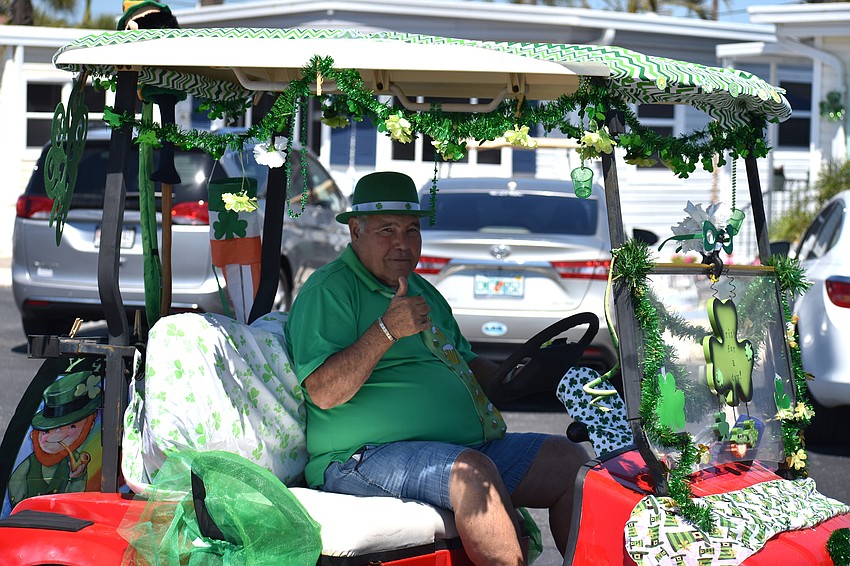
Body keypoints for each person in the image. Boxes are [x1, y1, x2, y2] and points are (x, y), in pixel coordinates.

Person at [285, 171, 591, 565]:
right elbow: (324, 392)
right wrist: (386, 330)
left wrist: (524, 373)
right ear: (355, 231)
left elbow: (464, 363)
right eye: (387, 229)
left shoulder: (423, 290)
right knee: (471, 472)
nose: (402, 243)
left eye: (412, 229)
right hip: (358, 457)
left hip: (456, 447)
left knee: (569, 462)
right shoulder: (330, 291)